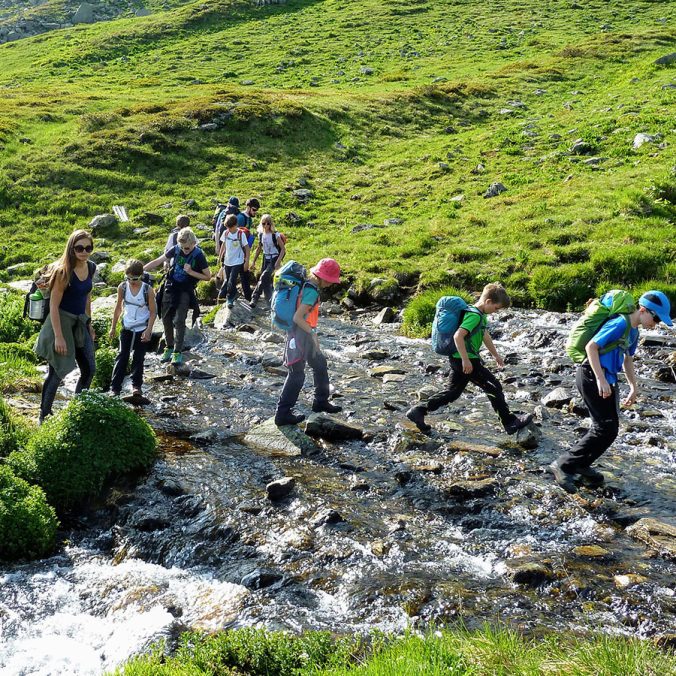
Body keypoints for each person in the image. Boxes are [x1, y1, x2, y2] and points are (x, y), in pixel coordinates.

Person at [549, 290, 672, 493]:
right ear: (643, 310)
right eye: (656, 318)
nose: (656, 324)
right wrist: (600, 379)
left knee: (610, 429)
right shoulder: (620, 323)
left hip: (608, 379)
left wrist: (633, 386)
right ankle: (563, 464)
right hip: (591, 375)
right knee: (603, 427)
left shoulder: (633, 332)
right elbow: (591, 347)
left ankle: (581, 464)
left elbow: (627, 359)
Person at [406, 283, 533, 436]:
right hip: (466, 361)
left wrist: (495, 355)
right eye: (496, 308)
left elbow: (485, 335)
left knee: (452, 393)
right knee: (493, 387)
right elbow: (458, 336)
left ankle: (419, 411)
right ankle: (509, 422)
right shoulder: (474, 315)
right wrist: (466, 360)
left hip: (458, 359)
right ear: (488, 302)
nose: (496, 312)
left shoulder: (480, 315)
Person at [35, 229, 97, 423]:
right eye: (80, 248)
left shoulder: (91, 267)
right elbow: (53, 306)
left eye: (88, 247)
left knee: (89, 368)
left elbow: (87, 296)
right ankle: (44, 415)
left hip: (80, 322)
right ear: (71, 248)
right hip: (61, 321)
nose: (84, 251)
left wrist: (89, 323)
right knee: (57, 370)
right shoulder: (63, 272)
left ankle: (78, 410)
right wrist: (59, 336)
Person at [275, 258, 343, 426]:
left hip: (302, 332)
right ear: (323, 277)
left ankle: (320, 402)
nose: (331, 284)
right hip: (300, 334)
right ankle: (282, 414)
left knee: (319, 363)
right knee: (296, 373)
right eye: (331, 280)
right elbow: (297, 318)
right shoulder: (312, 291)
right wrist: (313, 334)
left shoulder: (307, 285)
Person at [144, 227, 211, 366]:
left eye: (187, 248)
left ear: (193, 243)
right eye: (183, 247)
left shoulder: (199, 255)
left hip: (185, 290)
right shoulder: (175, 249)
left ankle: (177, 351)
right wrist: (141, 269)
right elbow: (158, 261)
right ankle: (168, 347)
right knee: (166, 317)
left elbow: (208, 276)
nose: (185, 250)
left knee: (180, 320)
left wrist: (191, 271)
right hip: (171, 286)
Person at [108, 259, 157, 398]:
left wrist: (148, 330)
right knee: (122, 356)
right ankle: (115, 389)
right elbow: (118, 308)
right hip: (127, 327)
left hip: (142, 328)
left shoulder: (147, 290)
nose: (131, 281)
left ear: (141, 275)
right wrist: (113, 327)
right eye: (128, 278)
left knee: (138, 358)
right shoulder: (122, 287)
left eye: (134, 278)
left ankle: (136, 387)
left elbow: (153, 312)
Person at [250, 214, 286, 308]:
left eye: (268, 223)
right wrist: (253, 261)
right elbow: (259, 248)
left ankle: (254, 297)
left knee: (264, 276)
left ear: (271, 224)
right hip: (265, 258)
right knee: (265, 281)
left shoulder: (275, 235)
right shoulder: (261, 234)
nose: (266, 226)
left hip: (274, 258)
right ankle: (269, 301)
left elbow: (283, 249)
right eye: (263, 223)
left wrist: (278, 261)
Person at [218, 214, 250, 307]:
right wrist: (220, 256)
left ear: (236, 225)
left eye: (231, 227)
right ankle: (235, 293)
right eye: (228, 227)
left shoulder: (241, 234)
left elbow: (247, 248)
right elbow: (223, 244)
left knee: (232, 279)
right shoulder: (226, 233)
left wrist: (247, 261)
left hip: (238, 260)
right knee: (228, 280)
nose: (229, 229)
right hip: (228, 260)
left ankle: (230, 299)